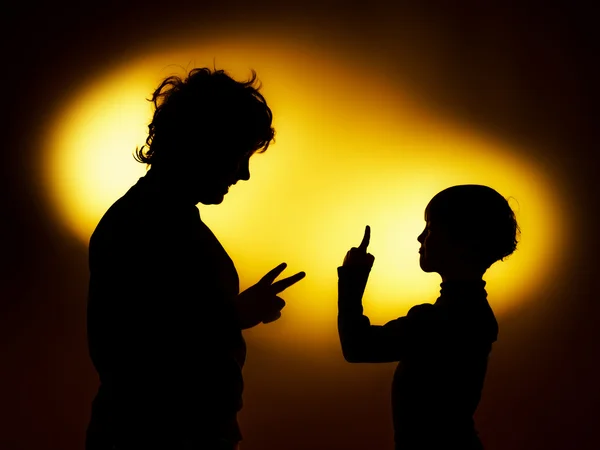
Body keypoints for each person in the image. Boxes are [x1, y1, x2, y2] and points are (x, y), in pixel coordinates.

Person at [85, 67, 305, 450]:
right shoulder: (144, 223)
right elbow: (129, 352)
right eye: (239, 156)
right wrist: (233, 316)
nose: (245, 175)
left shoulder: (163, 218)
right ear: (206, 146)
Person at [337, 184, 520, 449]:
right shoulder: (472, 314)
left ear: (463, 240)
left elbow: (357, 346)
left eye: (430, 228)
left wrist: (352, 278)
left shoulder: (446, 320)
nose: (420, 238)